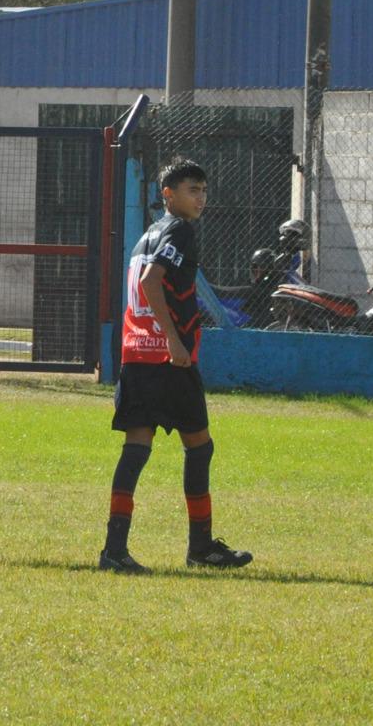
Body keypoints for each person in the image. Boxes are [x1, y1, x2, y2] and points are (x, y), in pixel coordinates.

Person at [99, 158, 252, 574]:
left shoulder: (145, 236)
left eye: (203, 190)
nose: (200, 198)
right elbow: (151, 283)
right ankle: (200, 547)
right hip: (167, 359)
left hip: (136, 356)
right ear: (168, 194)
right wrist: (171, 338)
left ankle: (114, 549)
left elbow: (143, 282)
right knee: (199, 447)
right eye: (191, 190)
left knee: (135, 451)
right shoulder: (179, 230)